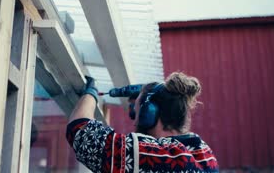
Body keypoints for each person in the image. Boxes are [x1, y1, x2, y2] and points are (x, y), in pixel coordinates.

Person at [66, 73, 219, 173]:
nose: (134, 118)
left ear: (149, 113)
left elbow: (79, 131)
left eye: (136, 112)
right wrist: (148, 93)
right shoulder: (204, 153)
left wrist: (91, 93)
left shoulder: (157, 157)